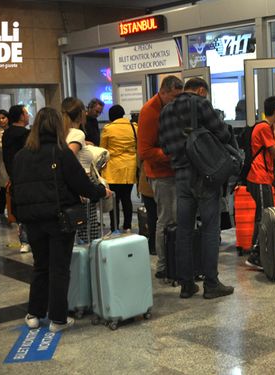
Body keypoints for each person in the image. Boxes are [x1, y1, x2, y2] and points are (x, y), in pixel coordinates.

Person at [11, 107, 110, 333]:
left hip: (32, 220)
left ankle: (34, 314)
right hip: (59, 218)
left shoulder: (21, 155)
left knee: (40, 266)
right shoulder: (61, 152)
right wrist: (100, 191)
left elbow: (16, 189)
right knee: (59, 268)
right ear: (58, 126)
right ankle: (58, 319)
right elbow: (80, 184)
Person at [159, 77, 234, 299]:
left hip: (180, 176)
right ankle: (211, 284)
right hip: (204, 175)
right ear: (201, 90)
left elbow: (164, 146)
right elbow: (224, 134)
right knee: (210, 229)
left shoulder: (165, 111)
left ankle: (186, 284)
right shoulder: (200, 103)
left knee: (184, 231)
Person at [137, 75, 184, 279]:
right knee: (165, 219)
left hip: (175, 172)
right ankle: (163, 265)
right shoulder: (149, 111)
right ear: (163, 92)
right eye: (173, 97)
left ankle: (177, 262)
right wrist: (173, 155)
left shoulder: (171, 107)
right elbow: (145, 151)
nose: (177, 101)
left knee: (175, 218)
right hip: (161, 175)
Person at [244, 96, 275, 270]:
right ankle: (255, 254)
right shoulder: (263, 127)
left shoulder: (263, 127)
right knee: (265, 217)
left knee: (262, 216)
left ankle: (258, 252)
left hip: (263, 177)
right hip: (259, 176)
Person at [61, 97, 98, 243]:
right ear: (81, 113)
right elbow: (68, 157)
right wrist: (79, 188)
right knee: (89, 233)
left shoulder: (63, 133)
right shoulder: (78, 134)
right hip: (81, 183)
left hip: (68, 184)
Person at [100, 104, 137, 233]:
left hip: (113, 168)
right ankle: (127, 226)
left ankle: (114, 227)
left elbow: (103, 149)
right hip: (130, 168)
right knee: (126, 197)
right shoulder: (134, 127)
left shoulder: (108, 129)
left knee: (114, 200)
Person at [3, 104, 31, 253]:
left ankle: (24, 241)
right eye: (26, 113)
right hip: (27, 177)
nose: (28, 116)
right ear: (20, 116)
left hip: (14, 177)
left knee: (20, 210)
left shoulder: (6, 134)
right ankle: (29, 240)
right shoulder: (25, 134)